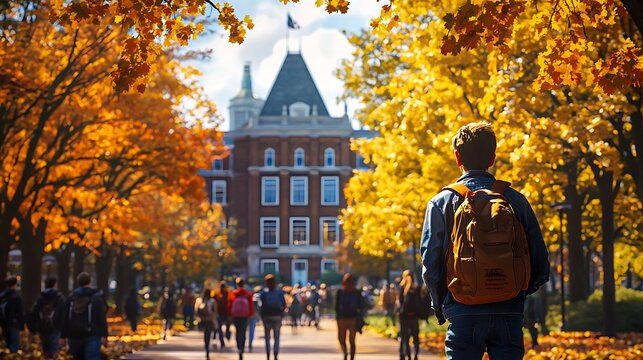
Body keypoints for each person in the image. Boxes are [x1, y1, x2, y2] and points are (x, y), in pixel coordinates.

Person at [420, 122, 550, 360]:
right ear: (492, 157)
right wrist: (516, 292)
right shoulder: (515, 200)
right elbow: (540, 262)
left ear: (458, 157)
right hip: (509, 310)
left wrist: (441, 306)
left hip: (462, 308)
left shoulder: (440, 203)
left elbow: (431, 263)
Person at [61, 272, 108, 360]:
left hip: (74, 335)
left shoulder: (71, 298)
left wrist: (63, 336)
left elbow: (66, 318)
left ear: (78, 283)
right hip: (92, 333)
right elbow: (101, 317)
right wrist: (104, 335)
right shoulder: (96, 297)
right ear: (89, 282)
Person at [29, 276, 65, 359]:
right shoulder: (60, 298)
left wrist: (34, 327)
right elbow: (63, 314)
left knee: (45, 350)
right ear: (55, 284)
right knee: (54, 350)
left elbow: (34, 313)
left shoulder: (40, 297)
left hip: (42, 327)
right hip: (55, 327)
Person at [335, 273, 364, 360]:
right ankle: (348, 354)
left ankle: (348, 354)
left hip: (348, 318)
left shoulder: (353, 292)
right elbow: (361, 306)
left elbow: (336, 306)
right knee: (347, 340)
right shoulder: (342, 292)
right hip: (348, 318)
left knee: (346, 339)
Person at [260, 274, 286, 360]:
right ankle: (275, 354)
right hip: (277, 316)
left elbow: (261, 307)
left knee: (267, 337)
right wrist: (281, 315)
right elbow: (284, 305)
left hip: (267, 316)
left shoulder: (263, 293)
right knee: (276, 337)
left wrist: (262, 317)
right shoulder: (279, 293)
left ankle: (268, 354)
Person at [397, 270, 421, 360]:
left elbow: (400, 302)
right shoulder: (417, 287)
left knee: (405, 338)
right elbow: (419, 302)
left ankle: (407, 356)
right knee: (415, 337)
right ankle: (416, 355)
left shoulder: (402, 287)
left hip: (404, 317)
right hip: (414, 316)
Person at [228, 277, 254, 360]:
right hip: (245, 316)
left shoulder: (233, 294)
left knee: (237, 331)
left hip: (235, 316)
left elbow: (230, 305)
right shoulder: (248, 294)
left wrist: (230, 314)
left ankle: (239, 347)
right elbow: (251, 306)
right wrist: (250, 314)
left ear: (237, 284)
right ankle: (242, 348)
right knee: (243, 332)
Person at [0, 277, 24, 353]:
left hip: (4, 323)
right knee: (15, 345)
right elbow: (20, 312)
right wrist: (22, 326)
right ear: (14, 285)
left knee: (8, 343)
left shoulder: (2, 296)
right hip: (14, 323)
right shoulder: (16, 296)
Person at [195, 288, 218, 359]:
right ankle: (207, 348)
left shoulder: (199, 300)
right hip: (209, 320)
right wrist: (214, 321)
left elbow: (196, 311)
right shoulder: (212, 301)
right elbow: (215, 312)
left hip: (202, 320)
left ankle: (206, 347)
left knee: (205, 335)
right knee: (208, 334)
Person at [214, 281, 232, 349]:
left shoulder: (225, 293)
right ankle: (222, 342)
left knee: (222, 328)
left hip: (224, 313)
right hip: (222, 314)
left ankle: (224, 339)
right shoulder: (218, 293)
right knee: (220, 328)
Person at [247, 285, 262, 352]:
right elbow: (259, 306)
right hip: (254, 315)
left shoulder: (250, 297)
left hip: (247, 315)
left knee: (245, 330)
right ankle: (250, 342)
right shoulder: (258, 297)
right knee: (251, 330)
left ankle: (243, 344)